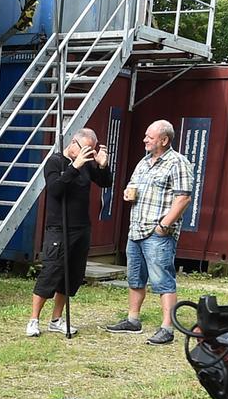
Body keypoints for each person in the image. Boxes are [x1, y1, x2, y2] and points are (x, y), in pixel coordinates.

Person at [104, 120, 193, 345]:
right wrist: (127, 193)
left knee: (163, 280)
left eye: (149, 137)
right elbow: (133, 186)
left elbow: (183, 198)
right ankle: (133, 320)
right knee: (135, 278)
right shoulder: (144, 162)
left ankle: (167, 328)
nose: (145, 140)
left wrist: (164, 226)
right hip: (136, 230)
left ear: (164, 140)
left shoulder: (177, 162)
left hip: (158, 233)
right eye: (145, 136)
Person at [27, 128, 112, 337]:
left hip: (81, 228)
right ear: (73, 143)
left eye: (92, 151)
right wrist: (74, 167)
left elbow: (105, 182)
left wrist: (102, 165)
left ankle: (56, 320)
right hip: (58, 228)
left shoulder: (86, 164)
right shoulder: (55, 162)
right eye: (86, 150)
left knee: (71, 277)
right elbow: (55, 189)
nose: (89, 154)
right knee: (51, 273)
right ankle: (33, 320)